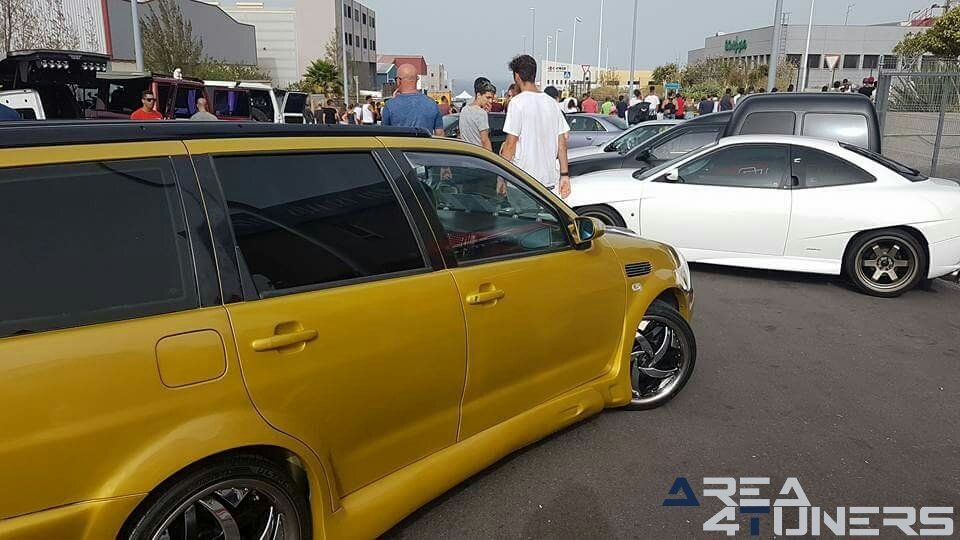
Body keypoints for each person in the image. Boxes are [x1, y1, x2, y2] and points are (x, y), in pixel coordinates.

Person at [500, 54, 571, 199]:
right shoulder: (552, 103)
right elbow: (562, 143)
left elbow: (510, 144)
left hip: (523, 182)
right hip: (549, 182)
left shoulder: (517, 103)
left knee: (524, 221)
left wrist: (501, 177)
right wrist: (564, 175)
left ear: (517, 76)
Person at [381, 64, 444, 135]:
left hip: (399, 145)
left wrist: (394, 101)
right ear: (417, 80)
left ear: (399, 80)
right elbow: (440, 133)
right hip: (426, 145)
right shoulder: (432, 103)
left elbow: (384, 134)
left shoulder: (390, 105)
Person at [459, 77, 497, 151]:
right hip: (478, 155)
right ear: (479, 95)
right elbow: (485, 140)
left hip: (466, 153)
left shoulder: (464, 109)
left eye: (491, 98)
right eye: (488, 97)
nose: (490, 101)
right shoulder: (481, 113)